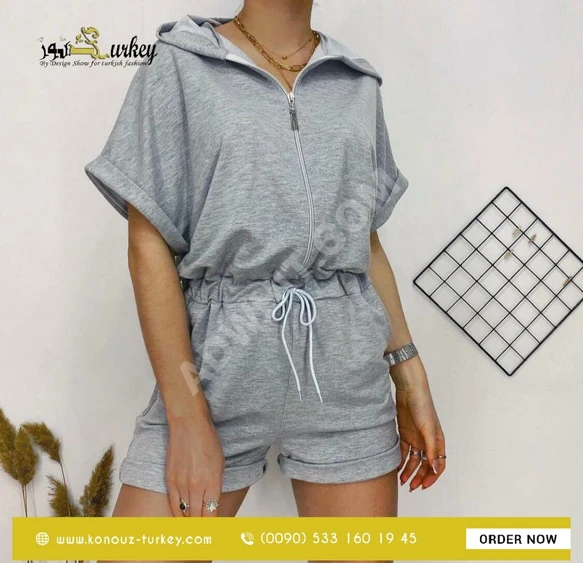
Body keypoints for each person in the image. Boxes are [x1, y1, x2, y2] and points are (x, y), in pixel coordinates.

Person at [85, 0, 446, 561]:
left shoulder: (356, 82)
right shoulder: (178, 64)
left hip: (345, 372)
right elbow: (147, 244)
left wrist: (409, 371)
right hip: (217, 369)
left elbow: (363, 240)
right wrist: (185, 417)